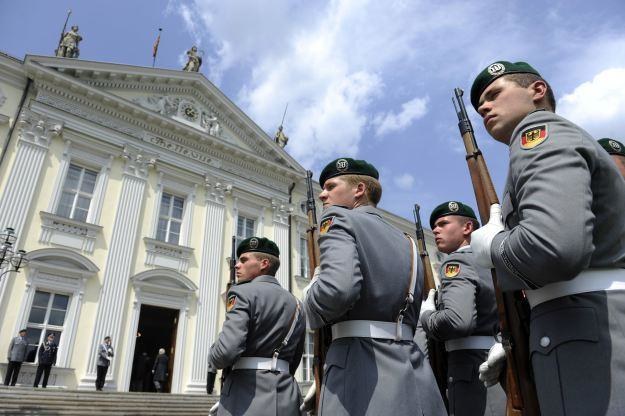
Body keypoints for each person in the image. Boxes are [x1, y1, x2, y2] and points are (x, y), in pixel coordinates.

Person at [470, 61, 625, 416]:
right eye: (480, 107)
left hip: (580, 330)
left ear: (537, 91)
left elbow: (554, 248)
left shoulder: (537, 132)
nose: (484, 108)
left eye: (494, 95)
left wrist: (493, 246)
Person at [301, 158, 447, 415]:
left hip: (358, 370)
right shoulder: (408, 242)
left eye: (331, 186)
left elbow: (338, 290)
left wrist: (311, 294)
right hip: (413, 371)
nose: (322, 194)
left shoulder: (337, 219)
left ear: (359, 190)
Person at [421, 201, 505, 416]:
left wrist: (427, 316)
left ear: (467, 228)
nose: (435, 230)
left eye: (443, 224)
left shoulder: (457, 262)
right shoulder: (491, 262)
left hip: (471, 369)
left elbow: (457, 321)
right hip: (497, 363)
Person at [207, 237, 306, 416]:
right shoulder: (297, 303)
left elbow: (226, 352)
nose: (237, 265)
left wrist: (212, 356)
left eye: (244, 260)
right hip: (286, 395)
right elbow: (295, 358)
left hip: (246, 395)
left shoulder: (241, 293)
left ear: (264, 264)